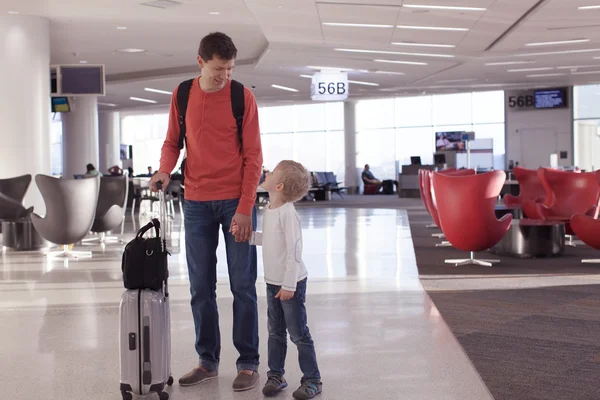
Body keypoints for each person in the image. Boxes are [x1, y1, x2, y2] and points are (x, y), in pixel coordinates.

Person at [150, 32, 263, 391]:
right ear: (200, 62)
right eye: (218, 70)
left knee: (243, 285)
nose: (225, 76)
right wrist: (164, 170)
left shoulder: (240, 96)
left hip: (235, 202)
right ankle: (207, 361)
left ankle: (247, 363)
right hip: (196, 201)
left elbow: (253, 156)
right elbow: (173, 142)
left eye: (229, 69)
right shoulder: (182, 94)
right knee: (200, 287)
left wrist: (245, 208)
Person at [233, 160, 323, 400]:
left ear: (280, 185)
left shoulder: (287, 213)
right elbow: (273, 240)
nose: (267, 172)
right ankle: (276, 375)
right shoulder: (270, 209)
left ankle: (312, 379)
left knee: (298, 333)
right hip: (273, 282)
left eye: (272, 172)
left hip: (290, 284)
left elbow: (294, 250)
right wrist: (250, 237)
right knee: (275, 332)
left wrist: (289, 285)